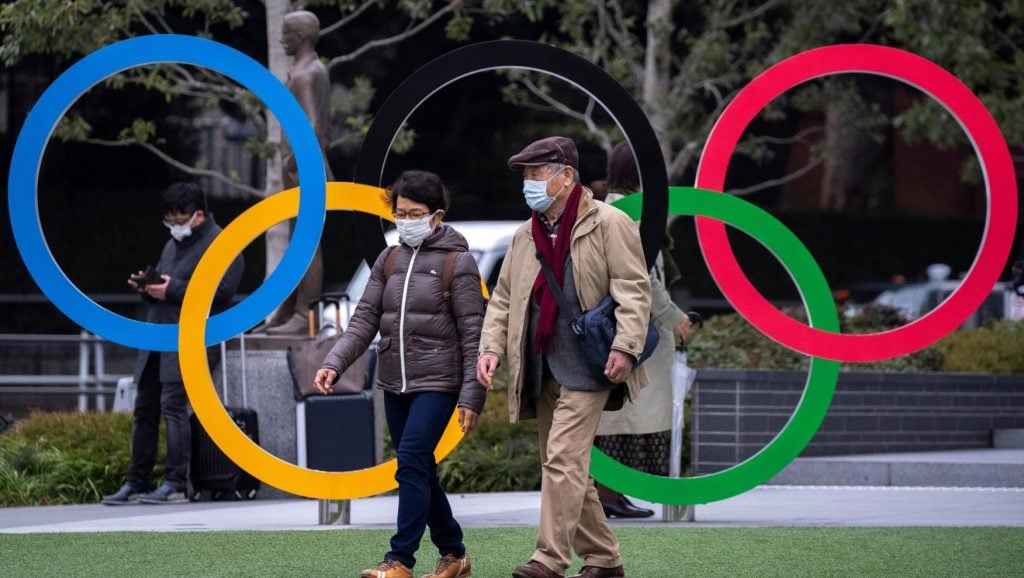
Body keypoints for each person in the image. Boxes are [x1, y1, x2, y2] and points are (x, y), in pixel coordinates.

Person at [476, 136, 653, 578]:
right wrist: (491, 348)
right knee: (566, 464)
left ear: (566, 176)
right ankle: (605, 559)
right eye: (525, 176)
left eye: (537, 174)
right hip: (541, 362)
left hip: (591, 362)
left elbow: (633, 290)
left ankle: (548, 559)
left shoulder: (610, 222)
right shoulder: (524, 234)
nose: (529, 184)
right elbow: (502, 299)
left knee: (561, 459)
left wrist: (625, 346)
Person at [314, 170, 485, 578]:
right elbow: (363, 321)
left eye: (415, 213)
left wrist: (472, 396)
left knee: (409, 460)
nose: (405, 220)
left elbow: (474, 335)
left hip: (439, 382)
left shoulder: (457, 263)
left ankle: (399, 561)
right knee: (419, 467)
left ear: (437, 216)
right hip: (394, 380)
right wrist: (333, 362)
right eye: (400, 213)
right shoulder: (388, 259)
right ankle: (455, 554)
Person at [102, 182, 244, 505]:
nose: (174, 226)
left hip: (190, 340)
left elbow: (222, 290)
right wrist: (147, 285)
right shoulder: (171, 245)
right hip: (157, 336)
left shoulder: (223, 243)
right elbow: (167, 282)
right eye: (170, 220)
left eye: (179, 219)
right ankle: (136, 481)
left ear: (198, 215)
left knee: (174, 408)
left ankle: (175, 482)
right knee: (144, 408)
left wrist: (171, 289)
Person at [593, 142, 693, 518]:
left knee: (619, 414)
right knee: (625, 414)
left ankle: (612, 492)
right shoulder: (631, 211)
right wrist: (674, 316)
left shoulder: (609, 206)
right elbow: (644, 278)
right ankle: (610, 493)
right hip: (635, 329)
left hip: (616, 325)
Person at [264, 9, 332, 334]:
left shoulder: (307, 74)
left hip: (305, 170)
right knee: (297, 242)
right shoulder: (308, 69)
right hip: (304, 169)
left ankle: (304, 316)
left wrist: (292, 162)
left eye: (287, 34)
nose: (281, 39)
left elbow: (314, 126)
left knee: (307, 243)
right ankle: (289, 310)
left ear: (301, 37)